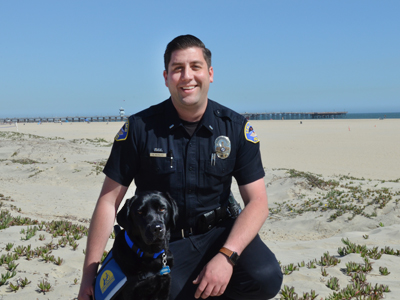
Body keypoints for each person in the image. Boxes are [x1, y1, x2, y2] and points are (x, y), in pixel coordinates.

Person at [78, 34, 282, 300]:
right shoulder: (140, 129)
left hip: (220, 232)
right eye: (177, 69)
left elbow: (258, 202)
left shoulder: (235, 128)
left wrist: (227, 256)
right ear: (165, 77)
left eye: (195, 67)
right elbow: (108, 202)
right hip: (162, 242)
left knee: (265, 277)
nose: (187, 76)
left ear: (209, 74)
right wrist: (88, 276)